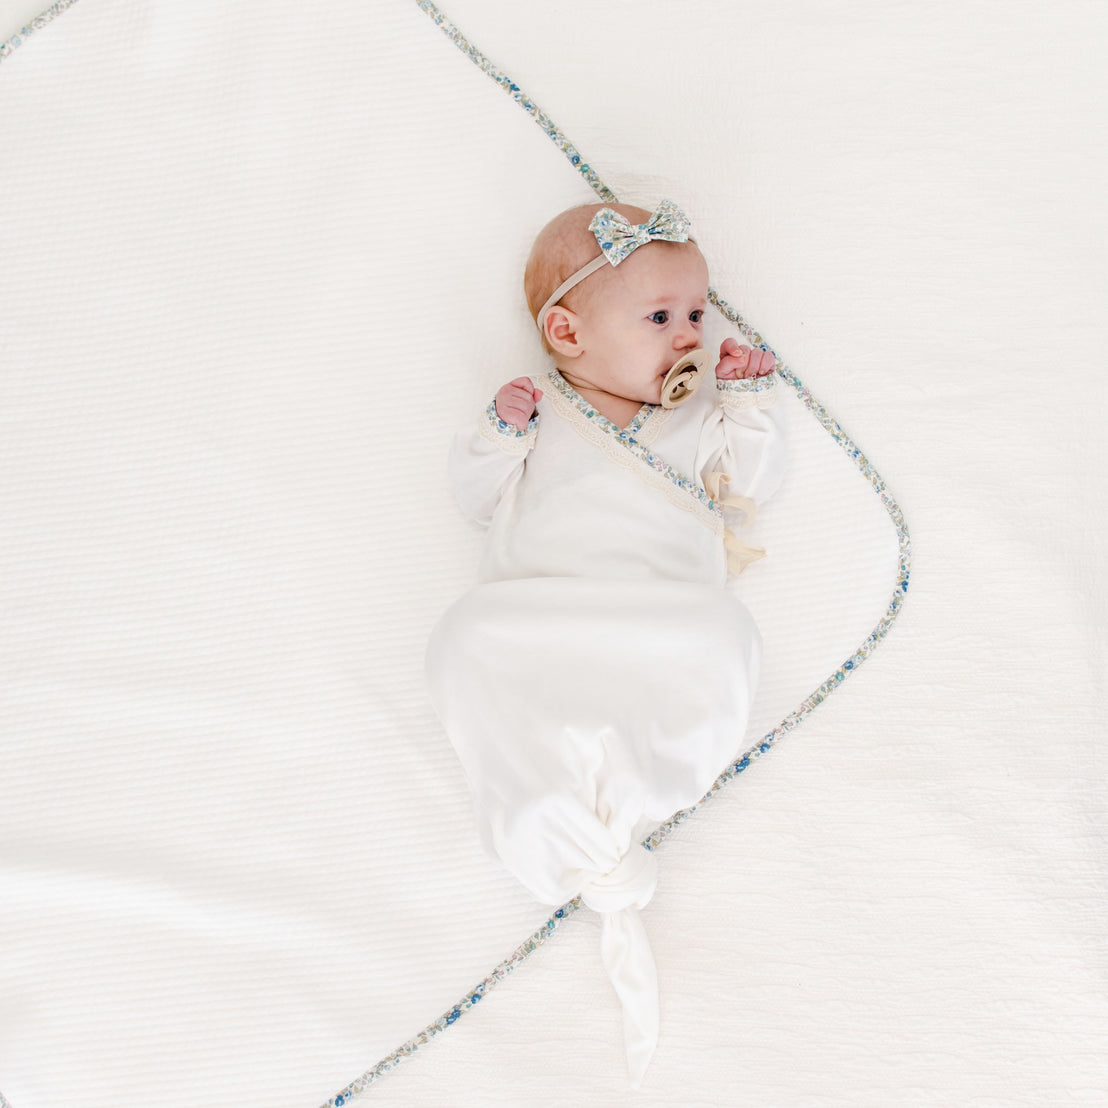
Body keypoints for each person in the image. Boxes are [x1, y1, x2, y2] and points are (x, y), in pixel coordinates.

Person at [423, 199, 787, 1089]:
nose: (687, 337)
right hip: (536, 613)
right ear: (567, 331)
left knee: (726, 630)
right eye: (660, 317)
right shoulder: (540, 411)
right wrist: (497, 437)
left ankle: (625, 790)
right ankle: (557, 799)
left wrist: (746, 401)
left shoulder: (693, 416)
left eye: (697, 315)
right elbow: (476, 500)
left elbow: (755, 480)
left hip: (659, 616)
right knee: (466, 632)